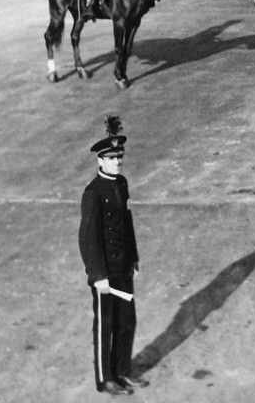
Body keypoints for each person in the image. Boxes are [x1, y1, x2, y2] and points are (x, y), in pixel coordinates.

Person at [78, 116, 147, 395]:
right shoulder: (93, 192)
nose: (117, 162)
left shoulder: (122, 184)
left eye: (120, 157)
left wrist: (134, 257)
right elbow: (87, 237)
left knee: (127, 321)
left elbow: (127, 222)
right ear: (100, 161)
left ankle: (121, 371)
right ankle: (105, 378)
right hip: (105, 272)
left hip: (123, 267)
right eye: (111, 158)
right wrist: (97, 276)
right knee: (105, 325)